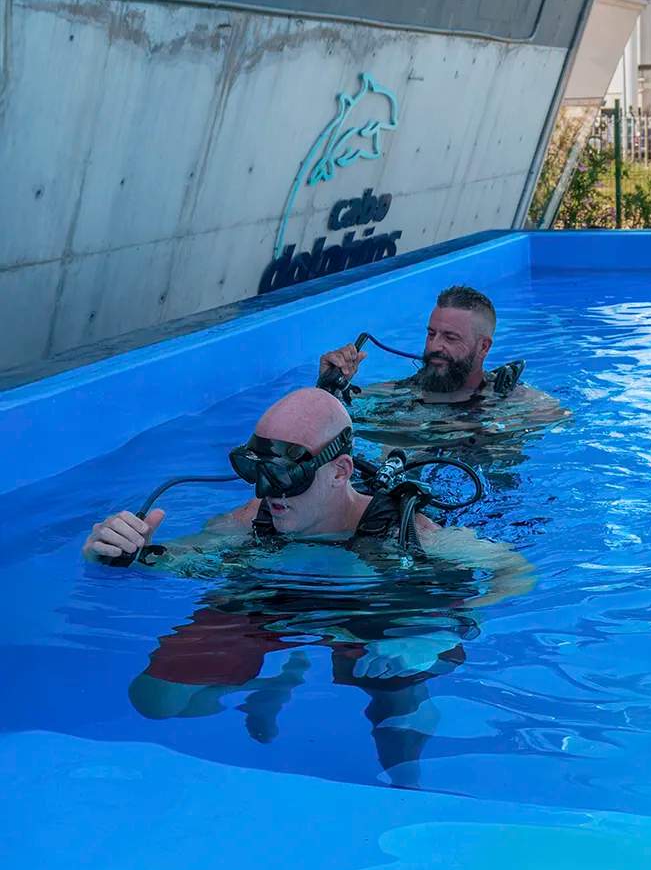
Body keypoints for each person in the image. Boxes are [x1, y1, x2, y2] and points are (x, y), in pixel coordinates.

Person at [83, 387, 533, 784]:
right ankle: (270, 682)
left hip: (373, 610)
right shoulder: (251, 518)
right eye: (256, 469)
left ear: (340, 471)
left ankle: (407, 788)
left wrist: (440, 631)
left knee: (396, 696)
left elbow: (515, 572)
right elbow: (178, 558)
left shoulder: (413, 531)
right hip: (278, 602)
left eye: (287, 475)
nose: (268, 490)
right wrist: (115, 550)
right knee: (154, 698)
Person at [317, 283, 566, 449]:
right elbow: (324, 427)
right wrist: (327, 388)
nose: (435, 346)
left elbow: (564, 429)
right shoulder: (393, 395)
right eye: (431, 333)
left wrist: (500, 430)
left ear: (484, 347)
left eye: (450, 337)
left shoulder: (518, 402)